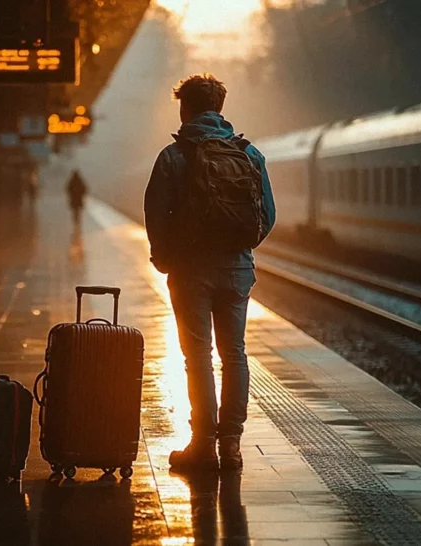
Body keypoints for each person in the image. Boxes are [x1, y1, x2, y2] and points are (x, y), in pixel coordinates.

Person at [144, 73, 276, 471]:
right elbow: (266, 216)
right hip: (236, 268)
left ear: (185, 108)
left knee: (197, 356)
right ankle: (231, 445)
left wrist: (165, 258)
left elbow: (155, 215)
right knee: (234, 353)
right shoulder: (250, 155)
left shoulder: (173, 156)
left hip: (189, 269)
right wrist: (239, 249)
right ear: (220, 106)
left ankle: (202, 443)